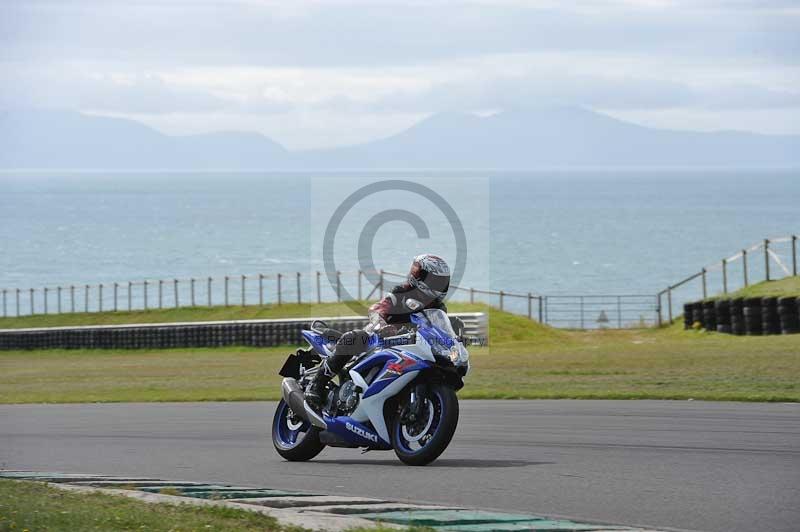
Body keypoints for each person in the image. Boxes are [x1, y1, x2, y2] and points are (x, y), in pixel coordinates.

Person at [305, 254, 451, 407]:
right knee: (354, 337)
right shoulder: (401, 292)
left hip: (411, 348)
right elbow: (378, 309)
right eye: (435, 281)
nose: (439, 285)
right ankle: (316, 384)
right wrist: (382, 325)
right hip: (380, 339)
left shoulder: (438, 308)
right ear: (421, 277)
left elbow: (438, 329)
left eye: (441, 281)